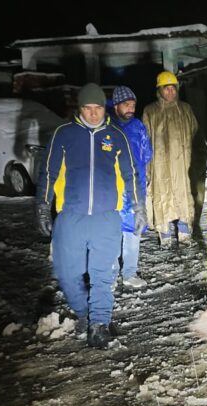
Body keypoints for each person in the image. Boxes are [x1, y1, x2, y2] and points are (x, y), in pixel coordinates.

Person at [34, 83, 144, 348]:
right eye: (87, 108)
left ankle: (99, 323)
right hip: (71, 216)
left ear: (103, 108)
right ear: (79, 108)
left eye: (97, 108)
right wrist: (42, 205)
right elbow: (48, 172)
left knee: (103, 274)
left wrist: (139, 206)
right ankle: (86, 313)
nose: (93, 114)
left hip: (107, 217)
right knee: (68, 273)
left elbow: (131, 173)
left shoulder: (116, 135)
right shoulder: (64, 134)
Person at [143, 71, 201, 247]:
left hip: (183, 162)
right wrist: (146, 165)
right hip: (159, 163)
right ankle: (165, 233)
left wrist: (198, 157)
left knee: (183, 195)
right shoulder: (150, 111)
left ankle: (184, 232)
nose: (170, 92)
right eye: (166, 89)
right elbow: (144, 139)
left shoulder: (185, 109)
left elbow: (195, 133)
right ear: (159, 90)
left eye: (172, 89)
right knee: (162, 195)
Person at [108, 86, 152, 289]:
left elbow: (147, 155)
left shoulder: (138, 127)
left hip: (135, 187)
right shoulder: (106, 127)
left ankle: (129, 273)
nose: (131, 108)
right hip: (112, 189)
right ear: (116, 105)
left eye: (133, 105)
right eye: (126, 104)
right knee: (110, 233)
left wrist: (145, 177)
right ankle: (109, 274)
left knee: (133, 231)